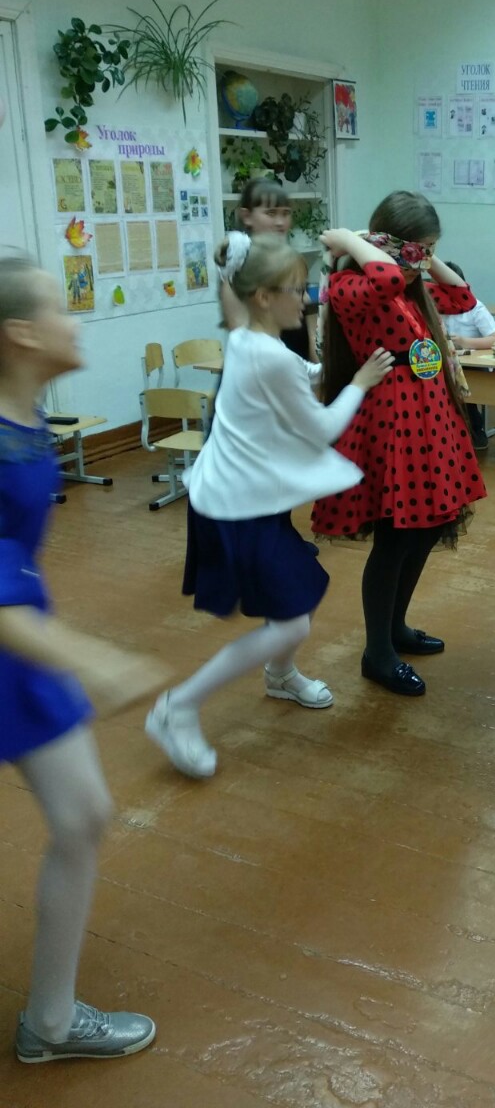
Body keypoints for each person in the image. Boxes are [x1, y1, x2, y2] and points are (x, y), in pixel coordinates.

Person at [145, 234, 392, 778]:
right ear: (262, 296)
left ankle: (279, 676)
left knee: (301, 594)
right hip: (234, 505)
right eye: (295, 290)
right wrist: (359, 383)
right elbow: (323, 428)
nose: (306, 299)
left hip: (241, 494)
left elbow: (289, 369)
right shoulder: (268, 354)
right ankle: (176, 707)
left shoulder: (245, 337)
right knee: (290, 622)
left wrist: (330, 370)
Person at [0, 255, 166, 1062]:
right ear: (21, 333)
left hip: (20, 639)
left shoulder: (23, 413)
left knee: (82, 813)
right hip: (15, 638)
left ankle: (51, 1022)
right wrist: (93, 659)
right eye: (60, 308)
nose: (76, 320)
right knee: (83, 813)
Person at [312, 191, 487, 697]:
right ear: (388, 246)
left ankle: (396, 627)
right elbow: (385, 279)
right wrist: (352, 242)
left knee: (426, 531)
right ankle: (377, 653)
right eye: (417, 250)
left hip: (430, 418)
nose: (420, 262)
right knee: (395, 540)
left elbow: (463, 298)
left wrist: (426, 260)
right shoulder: (349, 285)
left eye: (429, 250)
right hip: (392, 424)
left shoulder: (414, 287)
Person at [219, 177, 320, 363]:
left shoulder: (289, 261)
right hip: (263, 368)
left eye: (286, 213)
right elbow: (246, 341)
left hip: (298, 364)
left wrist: (319, 370)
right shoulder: (238, 269)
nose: (280, 222)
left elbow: (311, 330)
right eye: (271, 213)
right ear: (246, 216)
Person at [442, 259, 495, 449]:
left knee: (463, 387)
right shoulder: (432, 305)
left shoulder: (475, 307)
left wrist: (464, 341)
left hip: (470, 366)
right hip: (443, 363)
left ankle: (475, 431)